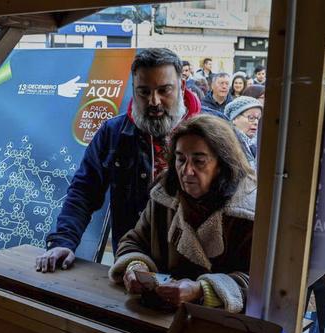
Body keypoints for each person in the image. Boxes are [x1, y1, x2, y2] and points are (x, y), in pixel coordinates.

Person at [35, 48, 202, 272]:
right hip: (131, 262)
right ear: (133, 89)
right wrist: (64, 241)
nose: (154, 101)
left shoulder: (212, 133)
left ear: (181, 86)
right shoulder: (113, 133)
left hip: (194, 270)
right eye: (144, 92)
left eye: (164, 90)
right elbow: (84, 190)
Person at [109, 115, 257, 313]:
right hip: (156, 316)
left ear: (222, 164)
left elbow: (258, 282)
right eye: (181, 159)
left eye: (199, 161)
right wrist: (136, 266)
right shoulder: (164, 197)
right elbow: (134, 241)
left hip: (221, 327)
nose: (187, 171)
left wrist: (202, 290)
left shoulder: (246, 213)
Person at [224, 97, 262, 170]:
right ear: (234, 119)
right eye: (251, 118)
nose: (256, 122)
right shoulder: (228, 144)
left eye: (258, 118)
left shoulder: (257, 143)